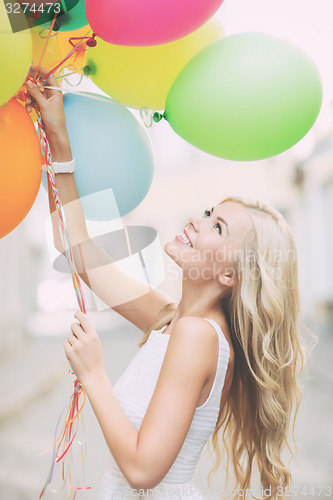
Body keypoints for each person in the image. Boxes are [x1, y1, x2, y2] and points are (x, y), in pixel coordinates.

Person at [26, 67, 307, 500]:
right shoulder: (171, 318)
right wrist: (58, 139)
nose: (198, 220)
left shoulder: (197, 336)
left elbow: (142, 470)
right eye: (211, 212)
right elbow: (78, 248)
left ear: (230, 274)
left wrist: (94, 372)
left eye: (216, 228)